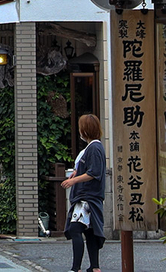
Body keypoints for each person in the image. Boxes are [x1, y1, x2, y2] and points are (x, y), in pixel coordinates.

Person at [61, 113, 106, 272]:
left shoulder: (94, 148)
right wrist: (76, 172)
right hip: (89, 197)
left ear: (85, 130)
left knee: (75, 229)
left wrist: (74, 180)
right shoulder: (94, 147)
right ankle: (94, 267)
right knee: (90, 231)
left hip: (86, 199)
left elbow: (94, 173)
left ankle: (76, 268)